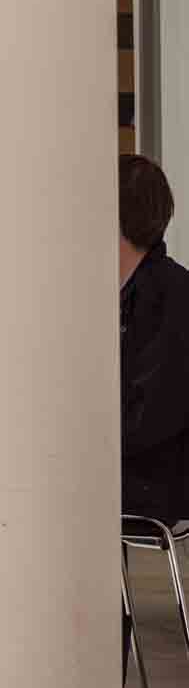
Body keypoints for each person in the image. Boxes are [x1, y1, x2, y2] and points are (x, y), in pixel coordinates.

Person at [122, 155, 189, 525]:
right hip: (138, 474)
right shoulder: (135, 291)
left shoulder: (167, 297)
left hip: (153, 487)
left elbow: (150, 416)